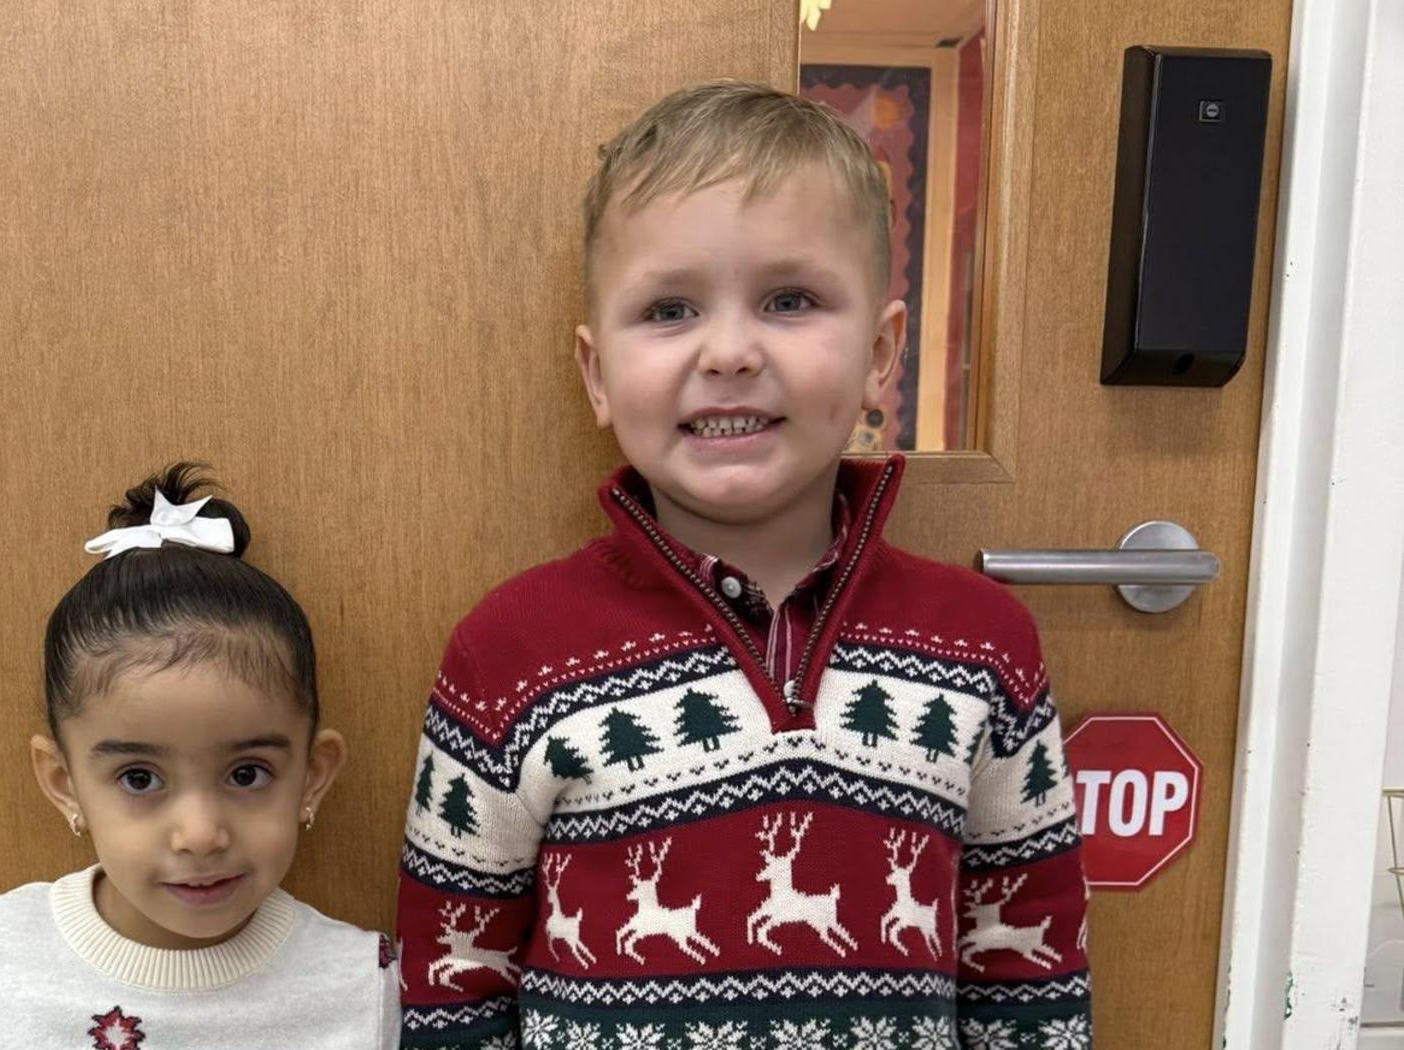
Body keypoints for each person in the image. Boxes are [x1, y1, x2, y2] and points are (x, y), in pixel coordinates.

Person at [396, 81, 1092, 1049]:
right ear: (596, 376)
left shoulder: (984, 644)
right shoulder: (507, 652)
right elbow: (452, 979)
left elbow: (1028, 968)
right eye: (670, 308)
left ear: (880, 355)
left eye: (788, 300)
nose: (727, 350)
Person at [0, 463, 400, 1049]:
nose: (200, 835)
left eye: (247, 774)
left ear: (312, 775)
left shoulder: (361, 985)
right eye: (140, 778)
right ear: (64, 782)